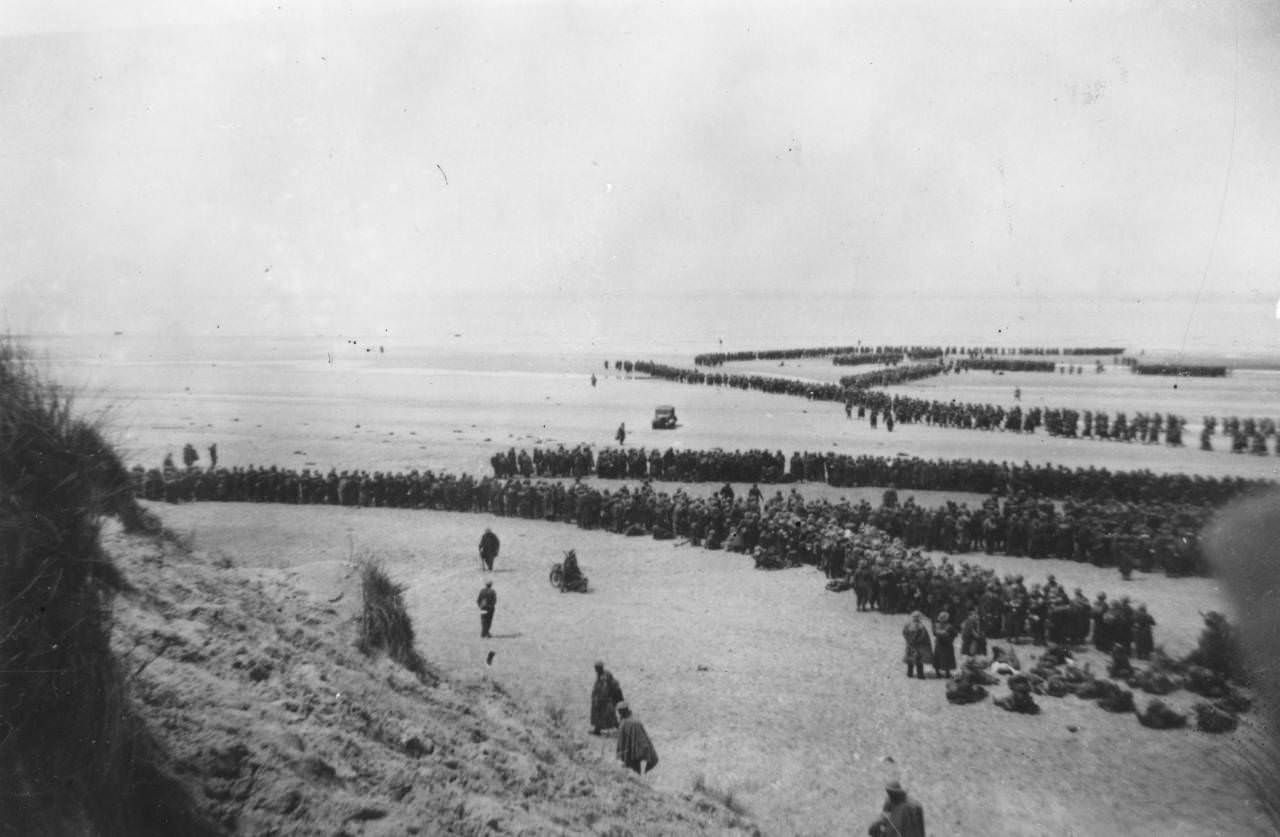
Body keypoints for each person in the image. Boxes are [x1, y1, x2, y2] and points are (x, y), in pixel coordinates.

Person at [615, 702, 658, 775]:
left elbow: (641, 739)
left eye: (620, 711)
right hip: (632, 753)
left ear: (623, 711)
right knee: (633, 771)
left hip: (630, 754)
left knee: (631, 772)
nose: (619, 714)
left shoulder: (628, 722)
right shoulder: (633, 720)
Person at [590, 661, 625, 735]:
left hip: (606, 700)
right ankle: (597, 730)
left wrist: (599, 699)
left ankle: (621, 729)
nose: (596, 670)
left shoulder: (604, 677)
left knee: (608, 715)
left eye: (597, 668)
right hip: (605, 699)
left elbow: (605, 690)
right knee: (604, 715)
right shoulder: (603, 674)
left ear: (599, 668)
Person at [903, 611, 933, 679]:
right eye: (915, 617)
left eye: (917, 617)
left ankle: (917, 674)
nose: (916, 618)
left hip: (915, 645)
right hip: (913, 645)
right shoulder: (910, 625)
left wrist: (913, 640)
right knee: (913, 660)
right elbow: (905, 632)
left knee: (917, 660)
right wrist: (909, 640)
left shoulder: (919, 626)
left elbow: (923, 635)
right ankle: (912, 673)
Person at [932, 612, 958, 679]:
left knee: (940, 658)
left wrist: (941, 633)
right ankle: (945, 673)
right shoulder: (949, 626)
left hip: (942, 644)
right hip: (944, 644)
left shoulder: (937, 625)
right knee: (943, 658)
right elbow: (955, 634)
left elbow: (934, 633)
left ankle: (940, 673)